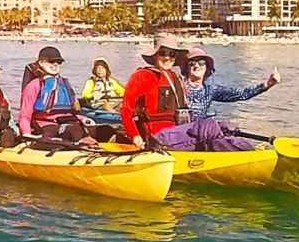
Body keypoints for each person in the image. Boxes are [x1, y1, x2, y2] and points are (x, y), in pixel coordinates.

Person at [121, 34, 251, 153]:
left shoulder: (176, 78)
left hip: (179, 135)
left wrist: (265, 86)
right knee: (208, 125)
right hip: (157, 139)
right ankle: (244, 155)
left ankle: (248, 153)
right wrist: (135, 135)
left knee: (224, 127)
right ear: (155, 55)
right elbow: (127, 110)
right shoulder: (142, 75)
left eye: (172, 54)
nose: (167, 57)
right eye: (163, 53)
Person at [177, 46, 281, 123]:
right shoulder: (179, 87)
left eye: (201, 63)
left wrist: (267, 84)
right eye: (192, 63)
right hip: (183, 132)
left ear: (207, 68)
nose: (196, 66)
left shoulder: (210, 90)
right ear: (186, 68)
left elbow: (241, 94)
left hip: (203, 131)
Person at [16, 46, 93, 144]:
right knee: (71, 132)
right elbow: (25, 115)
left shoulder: (64, 84)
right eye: (51, 61)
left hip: (68, 122)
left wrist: (83, 118)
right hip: (45, 124)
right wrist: (26, 133)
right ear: (41, 63)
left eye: (59, 62)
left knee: (103, 130)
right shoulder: (34, 85)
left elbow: (73, 111)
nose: (55, 64)